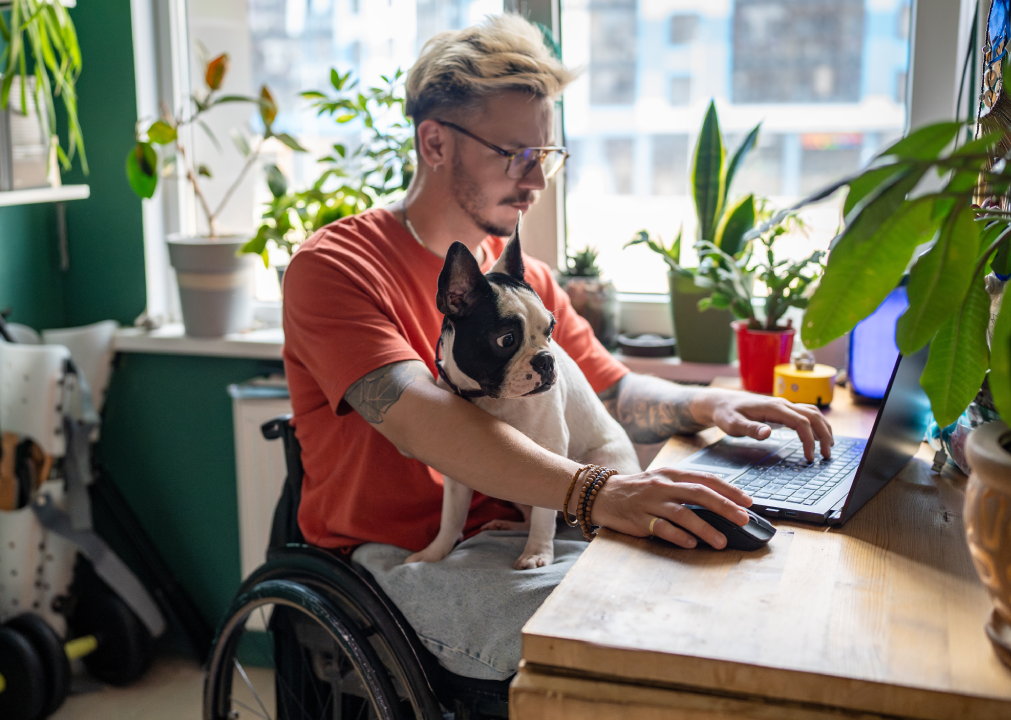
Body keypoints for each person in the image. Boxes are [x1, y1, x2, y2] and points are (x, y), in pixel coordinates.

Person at [280, 14, 833, 681]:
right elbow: (424, 422)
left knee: (705, 594)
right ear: (435, 143)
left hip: (524, 529)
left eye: (545, 155)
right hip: (398, 557)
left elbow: (611, 392)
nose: (537, 181)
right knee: (638, 643)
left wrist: (710, 405)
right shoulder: (336, 268)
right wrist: (598, 492)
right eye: (516, 154)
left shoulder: (526, 285)